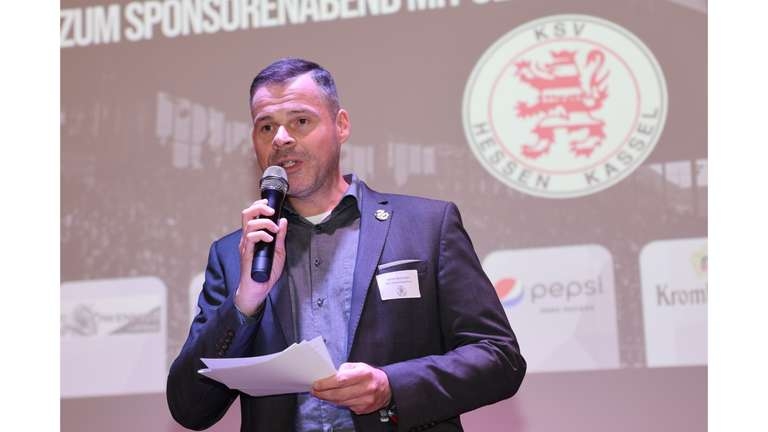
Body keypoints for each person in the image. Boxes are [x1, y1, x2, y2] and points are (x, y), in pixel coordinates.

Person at [167, 58, 526, 432]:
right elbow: (189, 409)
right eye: (266, 127)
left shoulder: (427, 227)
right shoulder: (235, 255)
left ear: (341, 125)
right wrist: (245, 302)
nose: (280, 139)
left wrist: (391, 387)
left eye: (300, 121)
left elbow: (499, 357)